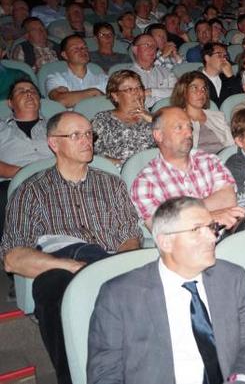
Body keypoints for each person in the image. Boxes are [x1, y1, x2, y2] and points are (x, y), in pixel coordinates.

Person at [1, 111, 141, 384]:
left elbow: (129, 237)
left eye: (89, 133)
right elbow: (12, 257)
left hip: (108, 259)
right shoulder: (32, 191)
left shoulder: (111, 183)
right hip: (60, 266)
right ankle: (74, 377)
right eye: (75, 135)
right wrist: (72, 266)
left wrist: (116, 270)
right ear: (54, 143)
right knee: (54, 288)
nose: (87, 140)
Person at [87, 196, 245, 384]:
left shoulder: (231, 278)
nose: (212, 237)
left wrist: (241, 380)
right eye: (196, 230)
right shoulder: (120, 295)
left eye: (211, 227)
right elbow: (104, 374)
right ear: (166, 242)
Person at [130, 107, 244, 229]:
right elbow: (161, 228)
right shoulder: (146, 182)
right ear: (159, 135)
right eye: (179, 128)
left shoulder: (210, 161)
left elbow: (228, 200)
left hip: (226, 238)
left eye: (190, 127)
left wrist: (180, 216)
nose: (189, 133)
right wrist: (210, 217)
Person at [0, 79, 54, 236]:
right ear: (10, 103)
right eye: (21, 91)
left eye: (32, 90)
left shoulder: (57, 125)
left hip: (55, 178)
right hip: (12, 183)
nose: (28, 93)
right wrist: (24, 172)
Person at [92, 70, 154, 167]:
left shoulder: (155, 117)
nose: (137, 92)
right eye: (129, 89)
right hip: (118, 173)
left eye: (139, 87)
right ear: (115, 96)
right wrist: (125, 166)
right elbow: (92, 152)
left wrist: (152, 119)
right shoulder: (102, 119)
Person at [170, 71, 233, 154]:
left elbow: (232, 145)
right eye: (194, 88)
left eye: (203, 89)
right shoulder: (177, 120)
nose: (201, 92)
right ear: (184, 92)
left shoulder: (218, 117)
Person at [46, 35, 108, 108]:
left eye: (84, 47)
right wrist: (94, 92)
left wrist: (72, 97)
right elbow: (60, 100)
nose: (82, 50)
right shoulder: (56, 78)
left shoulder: (103, 79)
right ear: (65, 55)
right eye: (75, 49)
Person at [129, 33, 178, 108]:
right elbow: (134, 101)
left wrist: (151, 91)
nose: (152, 49)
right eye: (147, 45)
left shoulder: (166, 72)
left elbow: (177, 92)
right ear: (135, 50)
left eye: (154, 46)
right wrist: (163, 94)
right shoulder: (127, 75)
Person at [199, 42, 242, 106]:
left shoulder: (228, 78)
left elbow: (239, 99)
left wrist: (231, 77)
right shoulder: (196, 79)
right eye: (219, 55)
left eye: (225, 56)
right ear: (207, 58)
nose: (224, 59)